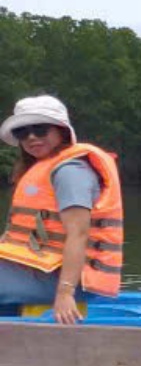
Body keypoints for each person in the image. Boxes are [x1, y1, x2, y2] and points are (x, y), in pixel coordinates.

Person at [0, 95, 124, 323]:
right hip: (39, 270)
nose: (31, 137)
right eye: (22, 132)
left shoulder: (70, 171)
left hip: (67, 279)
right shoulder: (46, 167)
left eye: (40, 129)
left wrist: (65, 293)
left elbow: (79, 233)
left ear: (61, 131)